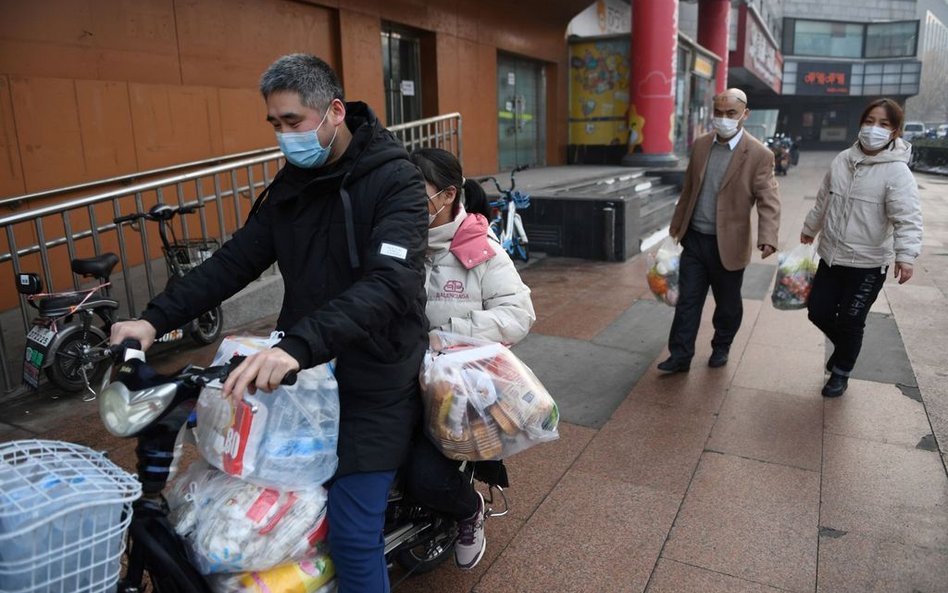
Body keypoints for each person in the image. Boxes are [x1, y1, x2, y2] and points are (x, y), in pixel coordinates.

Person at [109, 54, 429, 593]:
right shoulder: (291, 186)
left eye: (293, 122)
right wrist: (152, 321)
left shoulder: (395, 181)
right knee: (221, 504)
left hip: (374, 377)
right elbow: (234, 261)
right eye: (275, 125)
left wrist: (295, 347)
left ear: (332, 112)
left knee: (352, 532)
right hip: (301, 376)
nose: (284, 136)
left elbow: (389, 284)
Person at [406, 147, 535, 569]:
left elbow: (518, 315)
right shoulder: (397, 244)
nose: (405, 200)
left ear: (446, 196)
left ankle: (469, 509)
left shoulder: (481, 250)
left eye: (415, 191)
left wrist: (446, 335)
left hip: (458, 392)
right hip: (399, 378)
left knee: (423, 476)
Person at [801, 98, 922, 398]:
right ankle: (845, 350)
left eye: (883, 124)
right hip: (831, 256)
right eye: (869, 122)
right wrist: (809, 228)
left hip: (868, 264)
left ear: (894, 132)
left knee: (852, 321)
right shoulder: (842, 159)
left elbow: (907, 218)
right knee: (818, 310)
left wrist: (905, 256)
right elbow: (823, 199)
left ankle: (840, 372)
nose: (873, 129)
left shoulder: (897, 173)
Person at [658, 88, 781, 373]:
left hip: (729, 244)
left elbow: (768, 198)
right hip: (695, 240)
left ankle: (721, 345)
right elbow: (689, 189)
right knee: (687, 301)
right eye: (718, 113)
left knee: (727, 305)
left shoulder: (759, 154)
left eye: (731, 114)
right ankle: (680, 356)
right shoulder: (701, 145)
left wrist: (768, 237)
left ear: (744, 115)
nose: (723, 119)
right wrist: (676, 228)